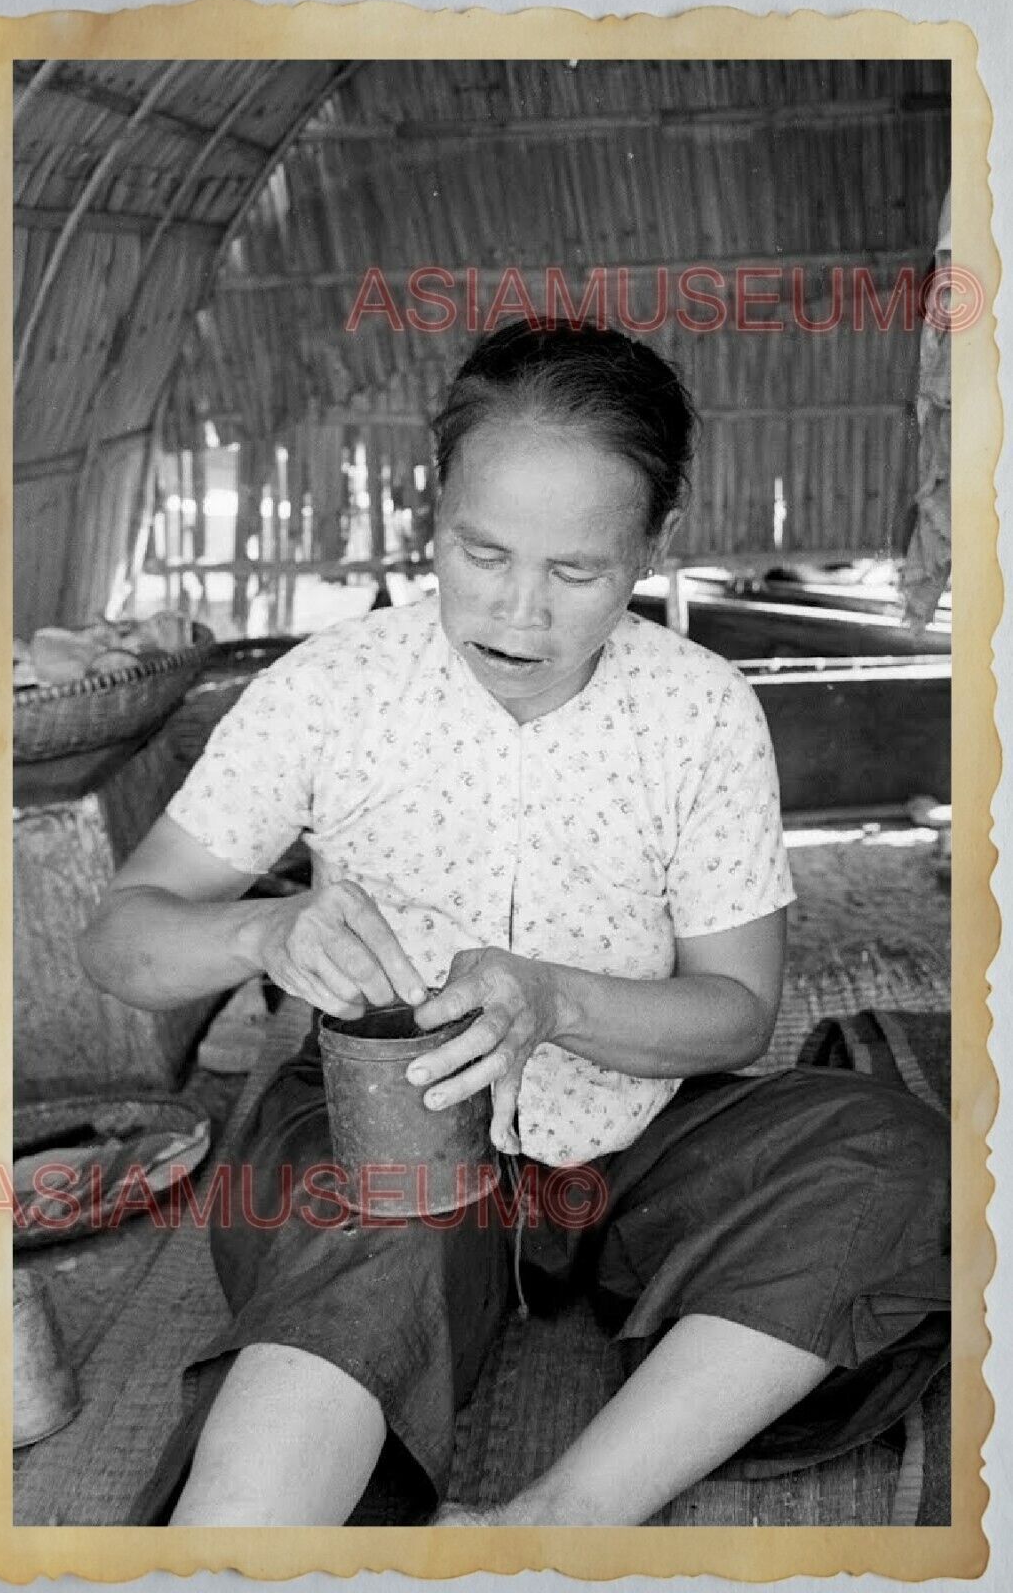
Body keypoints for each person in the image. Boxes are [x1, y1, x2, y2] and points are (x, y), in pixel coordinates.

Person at [80, 321, 949, 1528]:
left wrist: (555, 1001)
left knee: (893, 1156)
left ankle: (562, 1518)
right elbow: (121, 938)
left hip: (638, 1142)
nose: (518, 612)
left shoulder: (697, 713)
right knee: (365, 1236)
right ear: (429, 514)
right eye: (479, 551)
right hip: (377, 1136)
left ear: (654, 547)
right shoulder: (330, 690)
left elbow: (734, 1012)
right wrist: (259, 936)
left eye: (578, 571)